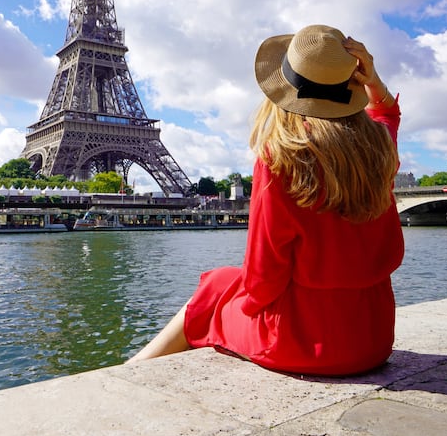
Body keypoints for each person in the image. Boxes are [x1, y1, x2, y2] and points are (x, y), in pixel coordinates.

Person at [127, 24, 403, 376]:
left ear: (285, 89)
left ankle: (131, 370)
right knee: (221, 282)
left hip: (301, 344)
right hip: (373, 339)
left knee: (212, 289)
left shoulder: (281, 159)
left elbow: (262, 279)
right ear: (352, 84)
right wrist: (375, 83)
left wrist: (238, 300)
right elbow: (386, 119)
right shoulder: (379, 150)